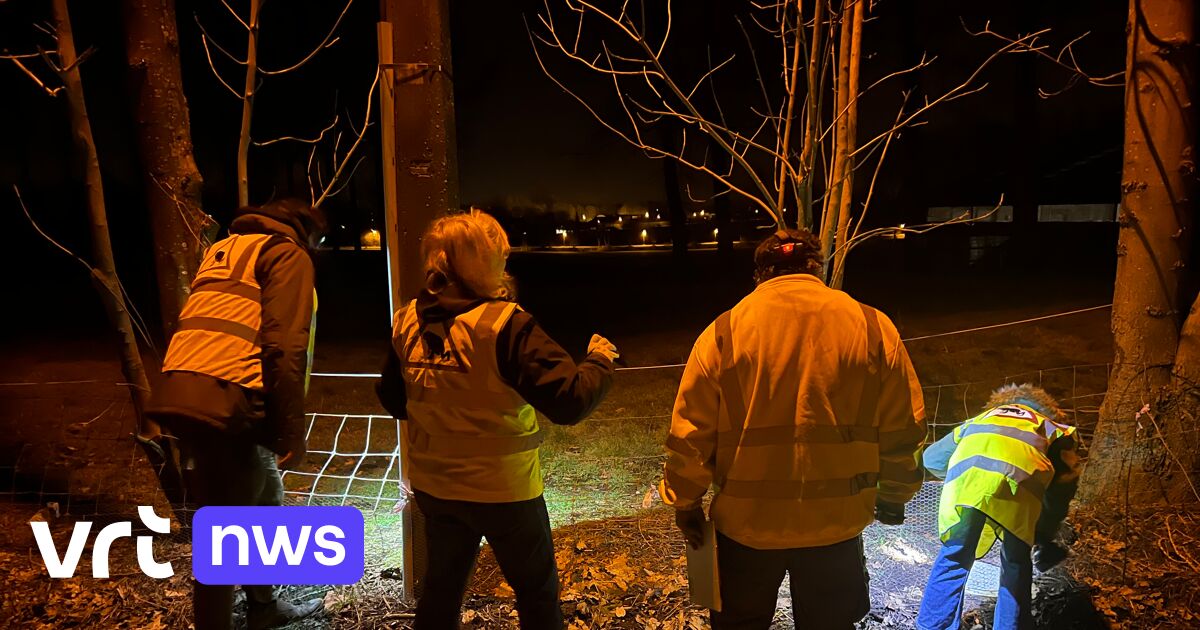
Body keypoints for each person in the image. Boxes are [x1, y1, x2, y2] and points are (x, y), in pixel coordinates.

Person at [659, 228, 928, 630]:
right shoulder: (873, 327)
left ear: (760, 275)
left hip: (746, 529)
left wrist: (686, 503)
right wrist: (894, 494)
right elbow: (903, 427)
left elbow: (691, 433)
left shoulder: (723, 333)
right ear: (816, 268)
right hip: (836, 528)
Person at [375, 209, 618, 630]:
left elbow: (395, 400)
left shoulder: (407, 320)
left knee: (441, 591)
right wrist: (600, 361)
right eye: (501, 256)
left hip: (438, 489)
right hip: (506, 492)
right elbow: (570, 401)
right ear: (482, 264)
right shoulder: (506, 326)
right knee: (536, 594)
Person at [147, 199, 326, 630]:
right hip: (229, 404)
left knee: (265, 500)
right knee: (227, 534)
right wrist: (290, 432)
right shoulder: (285, 253)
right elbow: (284, 347)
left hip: (190, 391)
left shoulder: (226, 249)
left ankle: (263, 607)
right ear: (307, 231)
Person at [917, 384, 1080, 630]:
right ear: (1047, 408)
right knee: (1016, 563)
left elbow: (931, 459)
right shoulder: (1053, 428)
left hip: (968, 489)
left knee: (954, 557)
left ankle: (932, 626)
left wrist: (963, 474)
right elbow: (1062, 487)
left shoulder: (979, 419)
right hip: (1019, 490)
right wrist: (1045, 534)